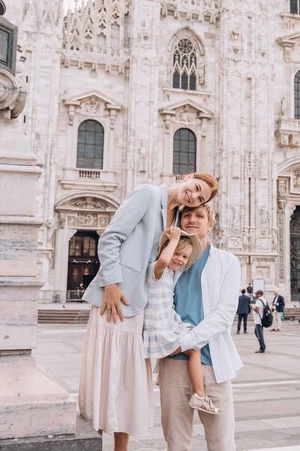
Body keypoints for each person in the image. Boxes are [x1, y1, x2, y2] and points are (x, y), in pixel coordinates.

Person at [79, 173, 218, 451]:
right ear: (188, 178)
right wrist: (111, 283)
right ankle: (92, 443)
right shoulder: (147, 194)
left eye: (201, 198)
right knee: (107, 376)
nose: (194, 196)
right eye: (196, 188)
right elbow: (110, 238)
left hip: (140, 304)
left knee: (128, 381)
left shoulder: (175, 218)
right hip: (115, 299)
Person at [157, 204, 244, 450]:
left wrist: (183, 343)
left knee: (222, 443)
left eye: (199, 216)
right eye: (187, 215)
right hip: (173, 364)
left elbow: (225, 313)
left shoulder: (227, 262)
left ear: (210, 222)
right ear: (179, 221)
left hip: (213, 363)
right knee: (176, 442)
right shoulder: (169, 260)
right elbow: (156, 304)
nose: (192, 220)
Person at [143, 228, 217, 414]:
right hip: (159, 329)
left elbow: (182, 265)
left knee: (192, 341)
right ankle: (200, 396)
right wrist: (174, 239)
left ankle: (195, 392)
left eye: (185, 257)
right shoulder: (156, 270)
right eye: (177, 253)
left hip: (167, 325)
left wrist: (180, 246)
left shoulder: (171, 274)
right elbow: (164, 260)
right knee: (194, 348)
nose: (180, 259)